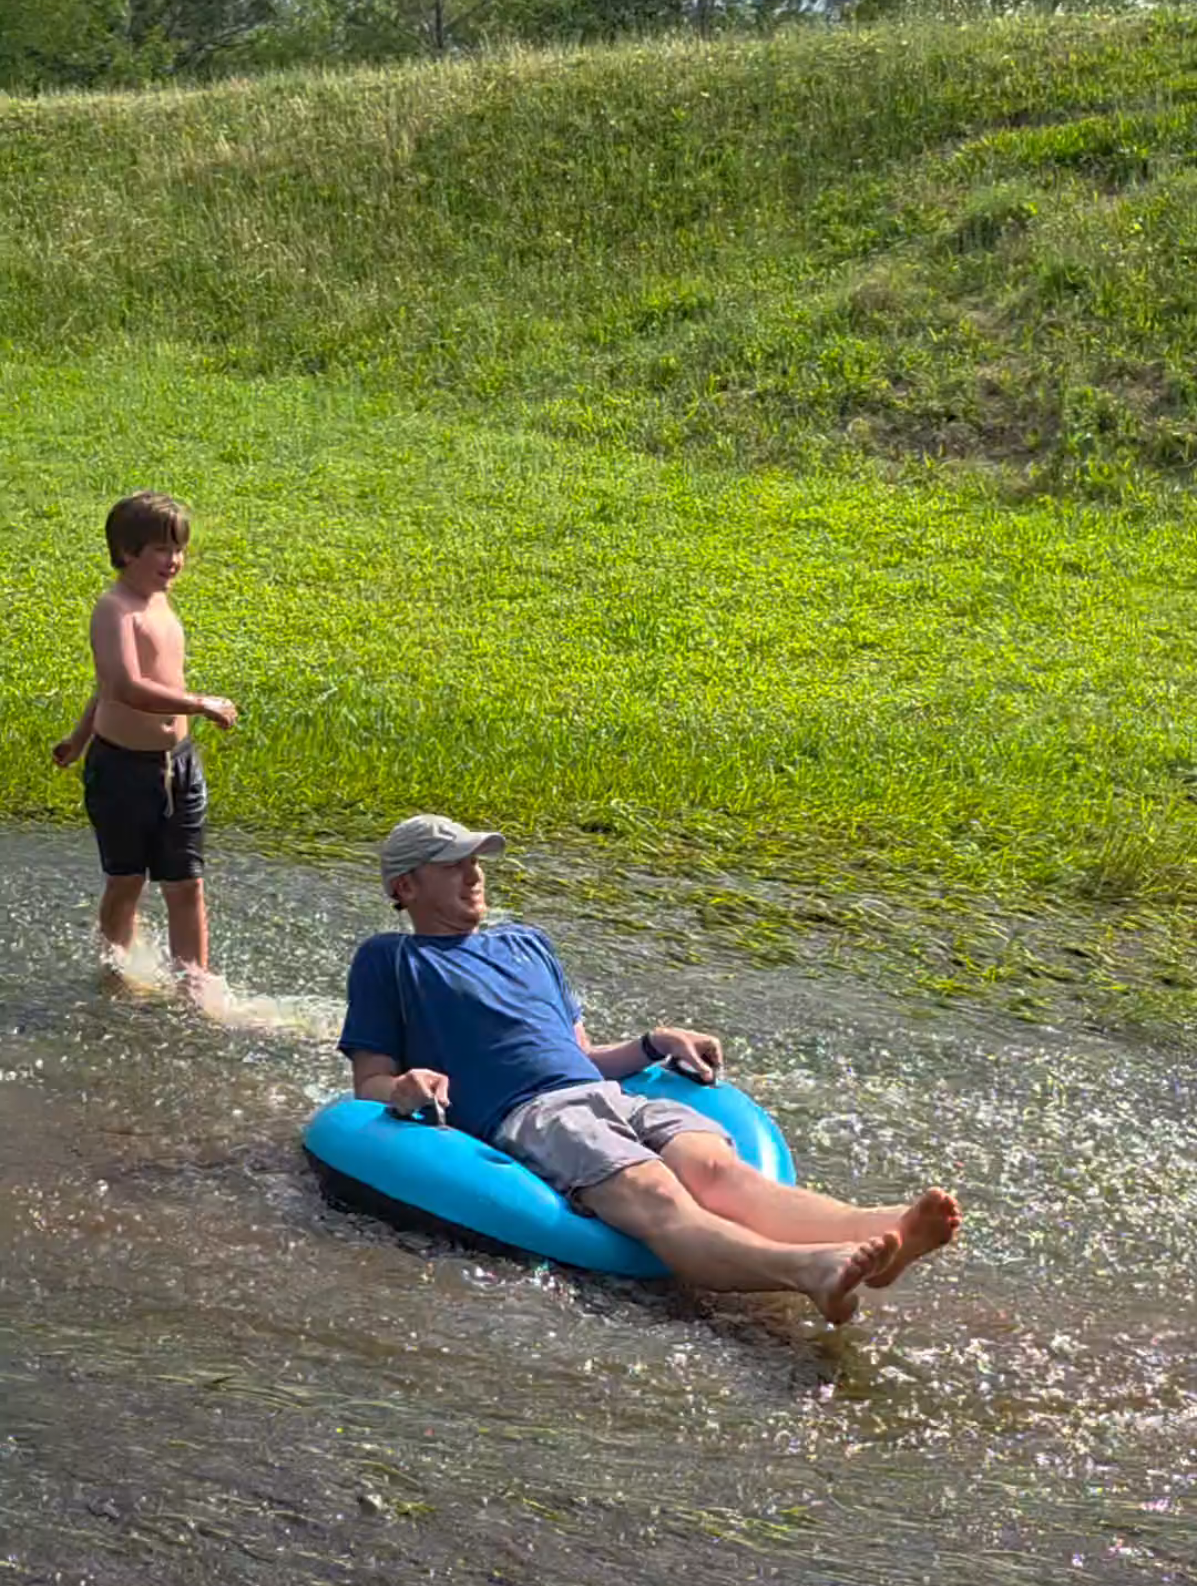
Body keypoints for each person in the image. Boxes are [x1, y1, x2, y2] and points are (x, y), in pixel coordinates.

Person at [340, 814, 962, 1325]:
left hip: (609, 1094)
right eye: (451, 865)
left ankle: (887, 1232)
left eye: (475, 861)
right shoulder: (390, 961)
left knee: (719, 1171)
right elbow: (368, 1084)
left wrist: (653, 1042)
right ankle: (810, 1271)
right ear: (405, 888)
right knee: (657, 1194)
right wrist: (404, 1089)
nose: (473, 875)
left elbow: (581, 1054)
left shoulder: (528, 943)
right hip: (533, 1117)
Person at [52, 491, 237, 974]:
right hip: (122, 768)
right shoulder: (115, 610)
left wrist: (75, 738)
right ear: (127, 552)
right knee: (127, 881)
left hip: (177, 765)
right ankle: (117, 974)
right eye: (162, 550)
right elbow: (124, 686)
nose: (174, 561)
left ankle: (193, 987)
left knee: (187, 884)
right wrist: (201, 703)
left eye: (179, 550)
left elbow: (104, 690)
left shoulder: (160, 606)